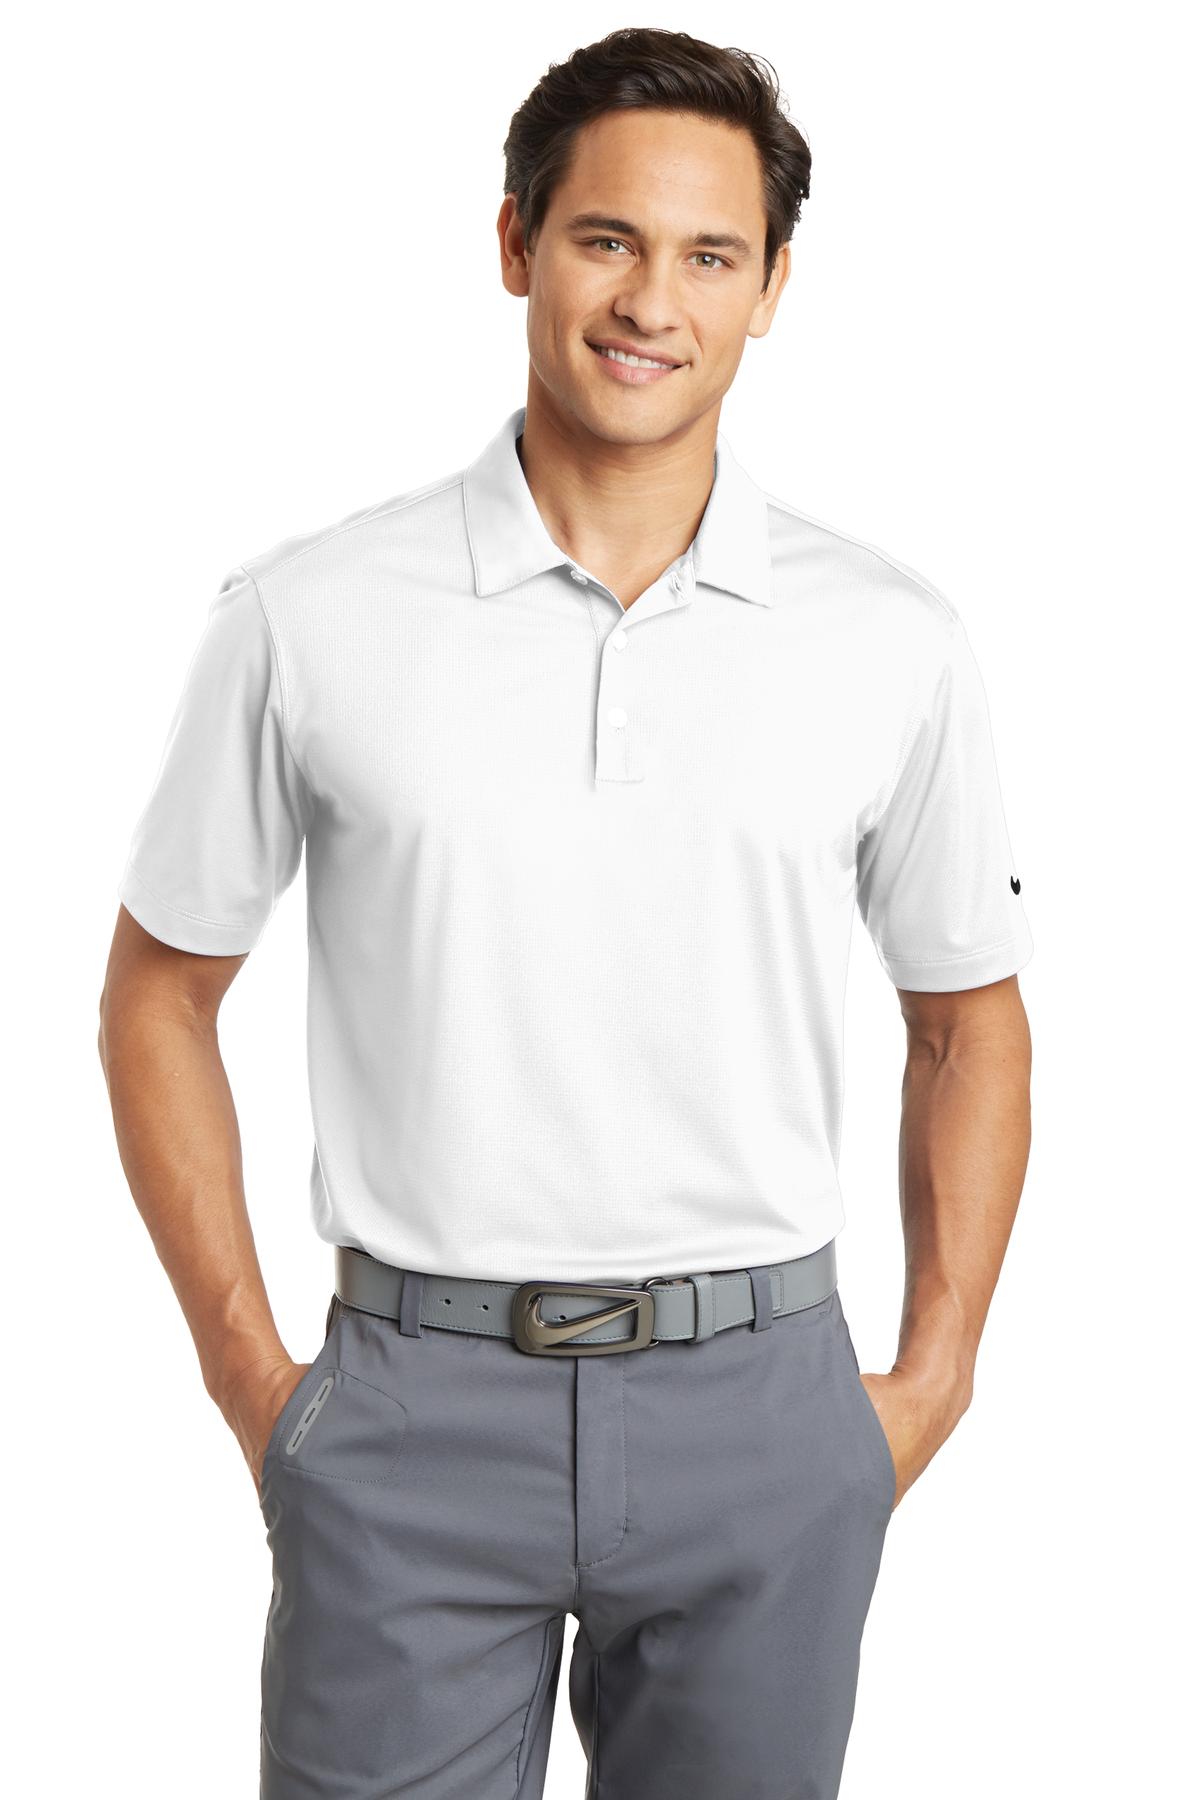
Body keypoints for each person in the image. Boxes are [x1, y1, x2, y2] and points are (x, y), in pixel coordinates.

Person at [99, 25, 1033, 1800]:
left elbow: (966, 1021)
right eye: (608, 238)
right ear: (516, 241)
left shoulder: (890, 640)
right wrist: (251, 1377)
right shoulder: (311, 614)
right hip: (409, 1409)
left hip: (763, 1407)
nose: (652, 302)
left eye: (711, 255)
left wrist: (932, 1380)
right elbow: (158, 989)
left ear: (772, 290)